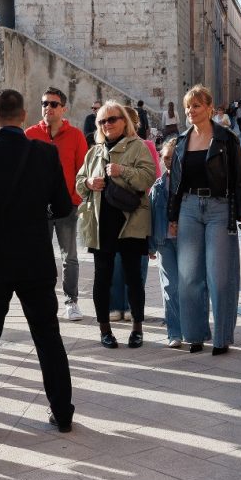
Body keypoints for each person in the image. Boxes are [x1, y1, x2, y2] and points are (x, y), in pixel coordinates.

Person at [0, 89, 75, 439]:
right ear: (24, 116)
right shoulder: (44, 152)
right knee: (47, 336)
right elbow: (64, 207)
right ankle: (62, 412)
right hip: (36, 256)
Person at [168, 85, 241, 355]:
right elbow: (176, 184)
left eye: (196, 106)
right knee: (189, 276)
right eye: (187, 107)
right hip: (189, 208)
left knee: (220, 276)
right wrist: (173, 216)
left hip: (220, 207)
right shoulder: (182, 141)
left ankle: (222, 337)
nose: (190, 111)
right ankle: (194, 335)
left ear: (209, 107)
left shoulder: (226, 139)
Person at [76, 101, 157, 348]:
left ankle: (137, 329)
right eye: (102, 121)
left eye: (112, 119)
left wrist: (122, 170)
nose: (107, 124)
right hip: (101, 224)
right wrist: (89, 183)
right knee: (102, 278)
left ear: (124, 121)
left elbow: (147, 178)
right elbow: (78, 183)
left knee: (133, 278)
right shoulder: (94, 152)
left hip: (131, 222)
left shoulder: (138, 147)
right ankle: (105, 330)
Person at [25, 86, 89, 322]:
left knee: (69, 256)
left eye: (53, 104)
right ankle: (42, 300)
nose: (48, 108)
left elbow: (83, 169)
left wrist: (76, 199)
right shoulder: (30, 134)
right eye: (44, 103)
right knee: (39, 256)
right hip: (37, 207)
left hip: (67, 206)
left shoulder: (76, 136)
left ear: (63, 108)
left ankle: (71, 301)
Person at [150, 138, 184, 347]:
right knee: (170, 286)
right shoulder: (159, 186)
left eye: (174, 157)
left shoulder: (188, 185)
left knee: (191, 286)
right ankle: (175, 332)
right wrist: (150, 246)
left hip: (187, 241)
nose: (170, 162)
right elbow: (152, 216)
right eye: (166, 158)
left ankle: (194, 328)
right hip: (164, 241)